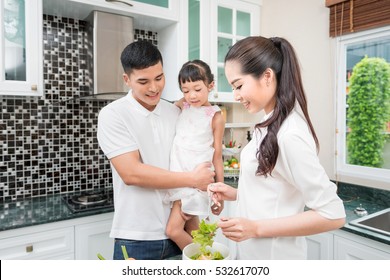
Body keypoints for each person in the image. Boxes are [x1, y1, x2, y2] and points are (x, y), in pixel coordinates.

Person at [209, 36, 346, 260]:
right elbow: (275, 192)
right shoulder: (268, 124)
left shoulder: (290, 134)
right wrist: (236, 194)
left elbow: (333, 214)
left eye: (239, 85)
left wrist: (255, 229)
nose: (236, 95)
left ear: (267, 76)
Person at [97, 40, 216, 260]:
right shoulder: (113, 115)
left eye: (159, 78)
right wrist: (193, 179)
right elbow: (131, 173)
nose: (154, 88)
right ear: (127, 80)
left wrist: (195, 226)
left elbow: (189, 158)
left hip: (179, 230)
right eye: (143, 81)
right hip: (136, 237)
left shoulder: (175, 111)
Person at [164, 60, 225, 250]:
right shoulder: (183, 106)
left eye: (197, 89)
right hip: (180, 176)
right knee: (195, 232)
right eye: (186, 90)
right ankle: (207, 255)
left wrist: (219, 192)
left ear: (210, 85)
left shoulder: (215, 116)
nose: (191, 95)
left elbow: (217, 156)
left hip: (195, 181)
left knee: (173, 230)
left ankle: (203, 260)